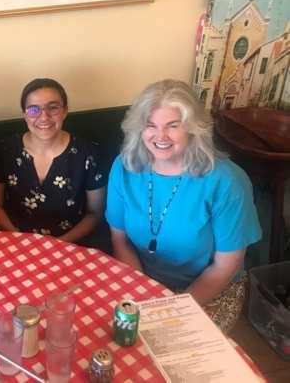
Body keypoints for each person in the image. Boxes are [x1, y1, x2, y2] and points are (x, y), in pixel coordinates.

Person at [105, 79, 261, 332]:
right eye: (151, 125)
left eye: (173, 125)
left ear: (193, 128)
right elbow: (120, 240)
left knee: (169, 346)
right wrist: (143, 294)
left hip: (209, 288)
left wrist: (172, 310)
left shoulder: (228, 181)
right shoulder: (124, 166)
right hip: (142, 277)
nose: (160, 136)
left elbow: (226, 265)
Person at [0, 78, 109, 251]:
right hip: (15, 241)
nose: (44, 117)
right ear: (24, 114)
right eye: (33, 109)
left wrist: (57, 245)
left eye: (53, 107)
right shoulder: (4, 150)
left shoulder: (89, 153)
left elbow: (94, 213)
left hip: (72, 243)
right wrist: (21, 239)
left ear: (65, 111)